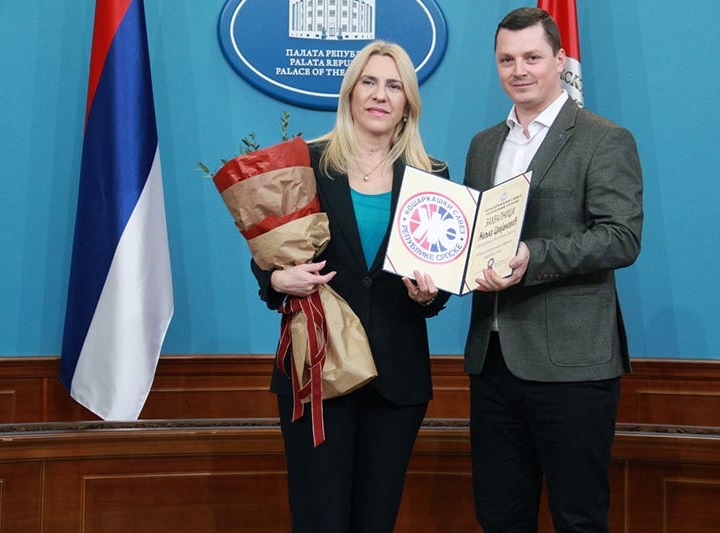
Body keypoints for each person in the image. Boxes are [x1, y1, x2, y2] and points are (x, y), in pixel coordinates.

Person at [251, 41, 450, 532]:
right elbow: (268, 256)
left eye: (394, 86)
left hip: (396, 380)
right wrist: (278, 279)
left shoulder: (432, 176)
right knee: (319, 519)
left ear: (408, 103)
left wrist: (431, 295)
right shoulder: (307, 164)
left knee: (375, 521)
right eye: (369, 82)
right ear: (350, 93)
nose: (380, 95)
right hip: (318, 373)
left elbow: (442, 273)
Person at [463, 7, 643, 532]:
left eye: (532, 57)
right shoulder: (483, 145)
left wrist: (532, 256)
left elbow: (621, 237)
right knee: (499, 518)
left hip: (572, 367)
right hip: (492, 363)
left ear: (560, 61)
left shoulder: (603, 138)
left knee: (578, 519)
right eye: (506, 59)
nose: (519, 70)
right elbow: (474, 239)